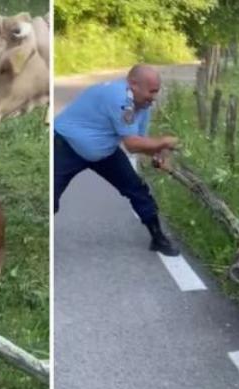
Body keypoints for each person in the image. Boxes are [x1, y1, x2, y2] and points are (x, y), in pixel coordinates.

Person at [54, 63, 182, 256]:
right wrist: (163, 142)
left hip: (104, 151)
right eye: (151, 91)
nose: (154, 97)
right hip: (67, 145)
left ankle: (158, 237)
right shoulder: (120, 98)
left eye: (157, 91)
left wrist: (156, 154)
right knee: (52, 194)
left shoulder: (143, 104)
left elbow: (141, 141)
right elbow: (132, 144)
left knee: (136, 188)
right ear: (133, 84)